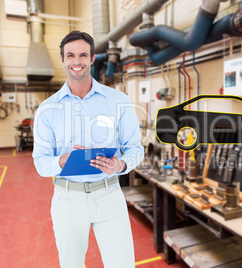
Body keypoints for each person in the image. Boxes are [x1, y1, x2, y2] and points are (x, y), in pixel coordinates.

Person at [32, 31, 144, 268]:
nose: (77, 61)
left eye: (83, 55)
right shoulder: (47, 109)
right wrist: (61, 160)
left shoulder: (118, 100)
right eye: (70, 55)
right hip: (67, 199)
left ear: (93, 58)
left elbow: (135, 147)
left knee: (122, 264)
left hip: (109, 194)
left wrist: (121, 164)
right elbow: (41, 162)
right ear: (62, 59)